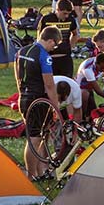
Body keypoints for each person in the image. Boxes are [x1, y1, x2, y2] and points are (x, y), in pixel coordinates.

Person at [15, 26, 62, 180]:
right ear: (50, 40)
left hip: (24, 97)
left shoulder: (21, 52)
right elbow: (49, 85)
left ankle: (40, 170)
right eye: (54, 45)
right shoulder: (44, 56)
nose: (53, 49)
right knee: (35, 139)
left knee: (41, 136)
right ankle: (31, 175)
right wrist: (55, 107)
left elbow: (18, 77)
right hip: (38, 100)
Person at [36, 0, 79, 78]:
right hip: (50, 57)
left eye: (68, 14)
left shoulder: (70, 19)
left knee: (66, 83)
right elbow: (40, 37)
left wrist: (71, 46)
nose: (66, 16)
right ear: (57, 10)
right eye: (64, 13)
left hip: (65, 57)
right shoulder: (46, 19)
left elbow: (75, 34)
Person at [76, 53, 104, 120]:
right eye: (102, 68)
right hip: (81, 88)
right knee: (85, 94)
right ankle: (82, 117)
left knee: (93, 113)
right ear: (97, 64)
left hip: (89, 87)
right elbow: (98, 91)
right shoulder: (88, 70)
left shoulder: (100, 62)